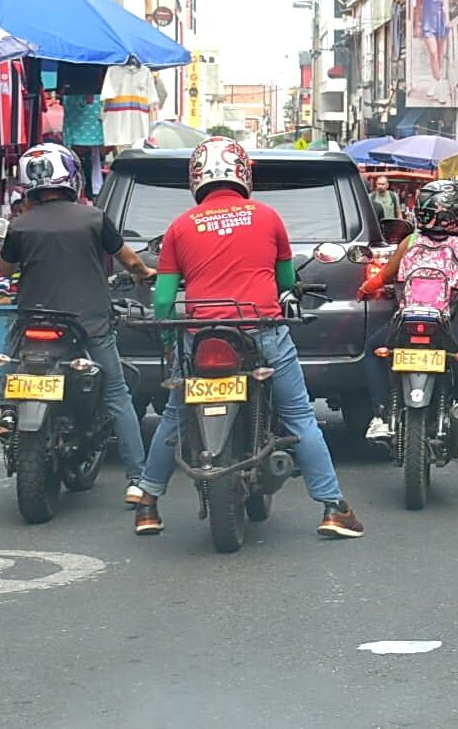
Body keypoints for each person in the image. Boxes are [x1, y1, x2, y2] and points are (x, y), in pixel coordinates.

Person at [132, 137, 364, 539]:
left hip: (200, 336)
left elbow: (165, 300)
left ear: (196, 178)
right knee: (300, 418)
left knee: (174, 416)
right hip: (262, 331)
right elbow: (288, 282)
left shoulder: (180, 226)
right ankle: (332, 508)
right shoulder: (268, 217)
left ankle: (148, 504)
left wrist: (172, 344)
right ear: (243, 175)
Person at [0, 143, 154, 504]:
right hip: (89, 323)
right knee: (116, 394)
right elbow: (130, 261)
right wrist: (145, 273)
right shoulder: (94, 218)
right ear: (70, 175)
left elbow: (4, 269)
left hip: (32, 322)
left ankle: (7, 412)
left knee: (13, 366)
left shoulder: (20, 225)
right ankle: (138, 479)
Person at [358, 180, 458, 501]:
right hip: (447, 329)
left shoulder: (409, 241)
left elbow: (384, 277)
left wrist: (365, 290)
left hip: (404, 327)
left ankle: (380, 416)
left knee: (372, 350)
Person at [413, 0, 452, 102]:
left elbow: (445, 7)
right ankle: (439, 84)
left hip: (441, 22)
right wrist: (417, 24)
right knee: (434, 54)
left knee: (441, 55)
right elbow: (418, 6)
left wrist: (447, 21)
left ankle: (434, 83)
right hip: (428, 22)